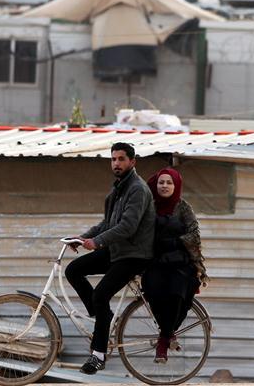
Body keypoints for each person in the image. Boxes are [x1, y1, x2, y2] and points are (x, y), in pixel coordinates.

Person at [65, 142, 155, 375]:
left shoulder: (137, 189)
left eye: (121, 159)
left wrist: (97, 242)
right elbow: (107, 223)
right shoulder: (118, 189)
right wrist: (83, 237)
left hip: (134, 255)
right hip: (117, 250)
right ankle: (102, 317)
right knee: (73, 270)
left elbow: (128, 226)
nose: (116, 163)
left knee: (100, 295)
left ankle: (98, 355)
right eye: (113, 159)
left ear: (132, 162)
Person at [142, 167, 208, 364]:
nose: (165, 186)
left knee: (178, 292)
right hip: (156, 261)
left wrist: (176, 242)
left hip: (180, 262)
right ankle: (169, 334)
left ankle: (163, 341)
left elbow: (194, 234)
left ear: (176, 185)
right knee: (153, 290)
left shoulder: (183, 207)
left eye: (169, 182)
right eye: (161, 182)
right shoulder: (149, 207)